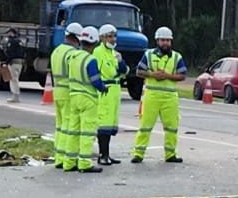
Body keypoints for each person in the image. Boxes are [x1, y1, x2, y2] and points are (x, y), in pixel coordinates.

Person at [132, 25, 187, 163]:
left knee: (172, 127)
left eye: (168, 40)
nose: (165, 43)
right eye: (163, 40)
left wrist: (167, 76)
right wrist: (152, 74)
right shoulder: (148, 55)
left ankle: (170, 154)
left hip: (170, 97)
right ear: (157, 41)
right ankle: (138, 153)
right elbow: (139, 71)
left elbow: (182, 75)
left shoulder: (176, 57)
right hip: (152, 96)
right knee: (145, 126)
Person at [67, 25, 110, 173]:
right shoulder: (90, 60)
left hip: (73, 97)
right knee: (87, 132)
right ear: (95, 42)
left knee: (73, 130)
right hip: (88, 99)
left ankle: (69, 161)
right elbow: (95, 80)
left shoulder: (73, 56)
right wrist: (103, 88)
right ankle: (84, 163)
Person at [92, 24, 128, 165]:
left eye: (114, 36)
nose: (112, 39)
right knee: (104, 124)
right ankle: (102, 155)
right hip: (105, 89)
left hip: (115, 90)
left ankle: (107, 154)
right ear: (101, 38)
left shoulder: (114, 53)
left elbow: (124, 71)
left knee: (111, 124)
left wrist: (120, 61)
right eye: (109, 36)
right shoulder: (98, 52)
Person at [49, 24, 82, 170]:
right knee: (69, 128)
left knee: (60, 126)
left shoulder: (56, 51)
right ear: (76, 38)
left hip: (57, 91)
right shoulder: (72, 53)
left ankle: (59, 157)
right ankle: (67, 157)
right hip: (68, 91)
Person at [4, 28, 24, 103]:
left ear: (11, 33)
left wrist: (6, 62)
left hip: (13, 63)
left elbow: (10, 53)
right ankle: (15, 96)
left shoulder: (12, 42)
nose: (8, 35)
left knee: (13, 79)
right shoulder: (20, 41)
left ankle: (15, 96)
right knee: (15, 78)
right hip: (20, 63)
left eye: (8, 33)